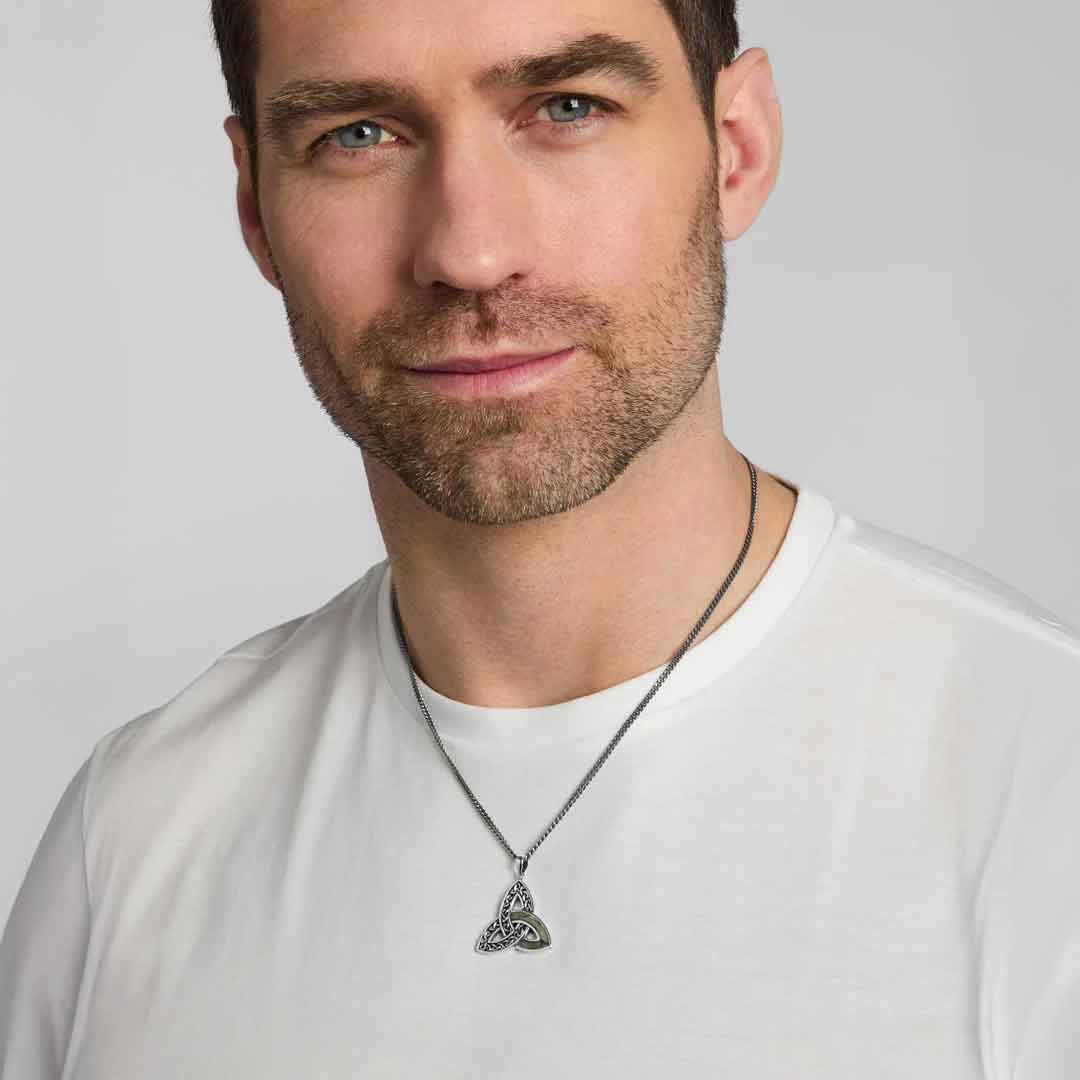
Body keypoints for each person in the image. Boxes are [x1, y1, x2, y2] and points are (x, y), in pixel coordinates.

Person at [2, 0, 1077, 1075]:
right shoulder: (132, 837)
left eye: (567, 108)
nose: (470, 252)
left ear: (736, 149)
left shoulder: (1041, 798)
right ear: (254, 205)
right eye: (358, 135)